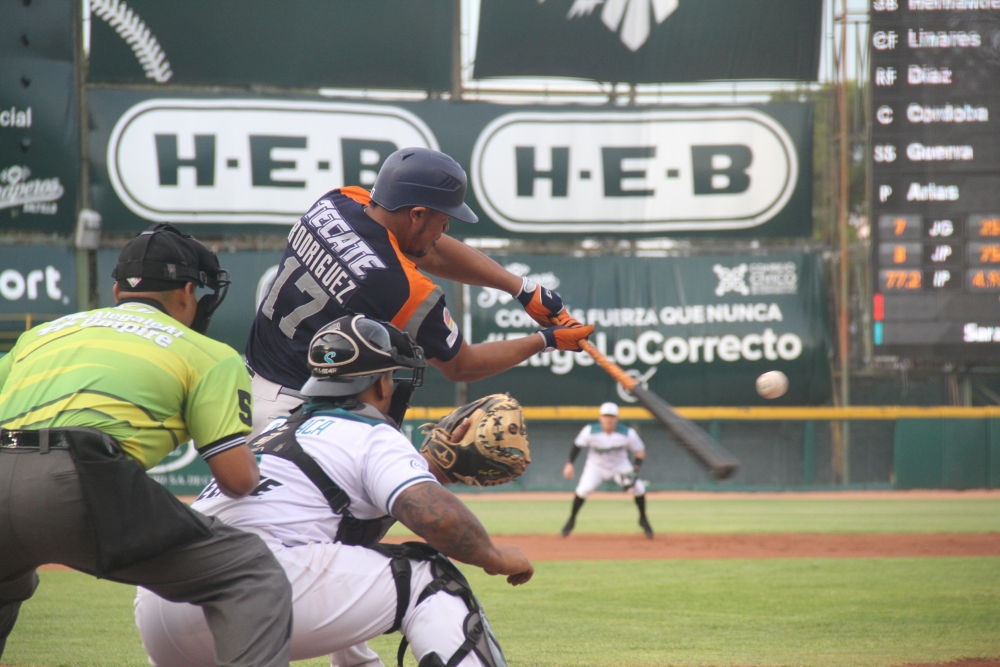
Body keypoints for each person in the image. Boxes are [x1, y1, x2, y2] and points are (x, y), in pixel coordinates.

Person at [135, 314, 534, 667]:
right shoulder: (373, 432)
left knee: (350, 562)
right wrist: (495, 557)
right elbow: (440, 520)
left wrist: (429, 469)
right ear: (380, 383)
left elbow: (345, 550)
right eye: (393, 377)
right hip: (246, 597)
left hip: (161, 610)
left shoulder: (273, 432)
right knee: (430, 576)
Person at [0, 224, 293, 667]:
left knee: (8, 583)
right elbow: (236, 480)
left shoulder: (39, 336)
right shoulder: (208, 354)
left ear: (118, 288)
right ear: (189, 291)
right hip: (81, 478)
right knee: (252, 572)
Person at [245, 146, 592, 439]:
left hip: (246, 384)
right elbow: (463, 366)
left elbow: (430, 249)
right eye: (444, 220)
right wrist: (546, 340)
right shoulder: (400, 287)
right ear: (416, 214)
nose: (444, 230)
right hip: (294, 415)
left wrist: (521, 288)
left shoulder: (338, 201)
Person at [561, 402, 653, 539]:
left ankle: (643, 519)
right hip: (596, 467)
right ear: (600, 418)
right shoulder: (590, 431)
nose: (609, 419)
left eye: (612, 416)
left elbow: (640, 451)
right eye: (606, 416)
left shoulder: (627, 433)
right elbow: (577, 446)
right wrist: (570, 464)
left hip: (620, 466)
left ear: (617, 418)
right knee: (583, 490)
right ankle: (571, 519)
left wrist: (635, 468)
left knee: (639, 489)